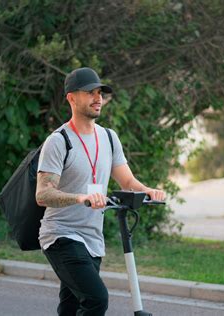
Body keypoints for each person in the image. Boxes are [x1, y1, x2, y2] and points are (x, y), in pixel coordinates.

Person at [35, 67, 166, 316]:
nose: (98, 98)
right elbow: (43, 194)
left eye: (100, 93)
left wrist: (148, 190)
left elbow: (127, 179)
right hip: (61, 236)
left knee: (71, 306)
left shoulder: (108, 137)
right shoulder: (59, 140)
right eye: (90, 93)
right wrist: (81, 197)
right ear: (71, 98)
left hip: (92, 239)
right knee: (96, 300)